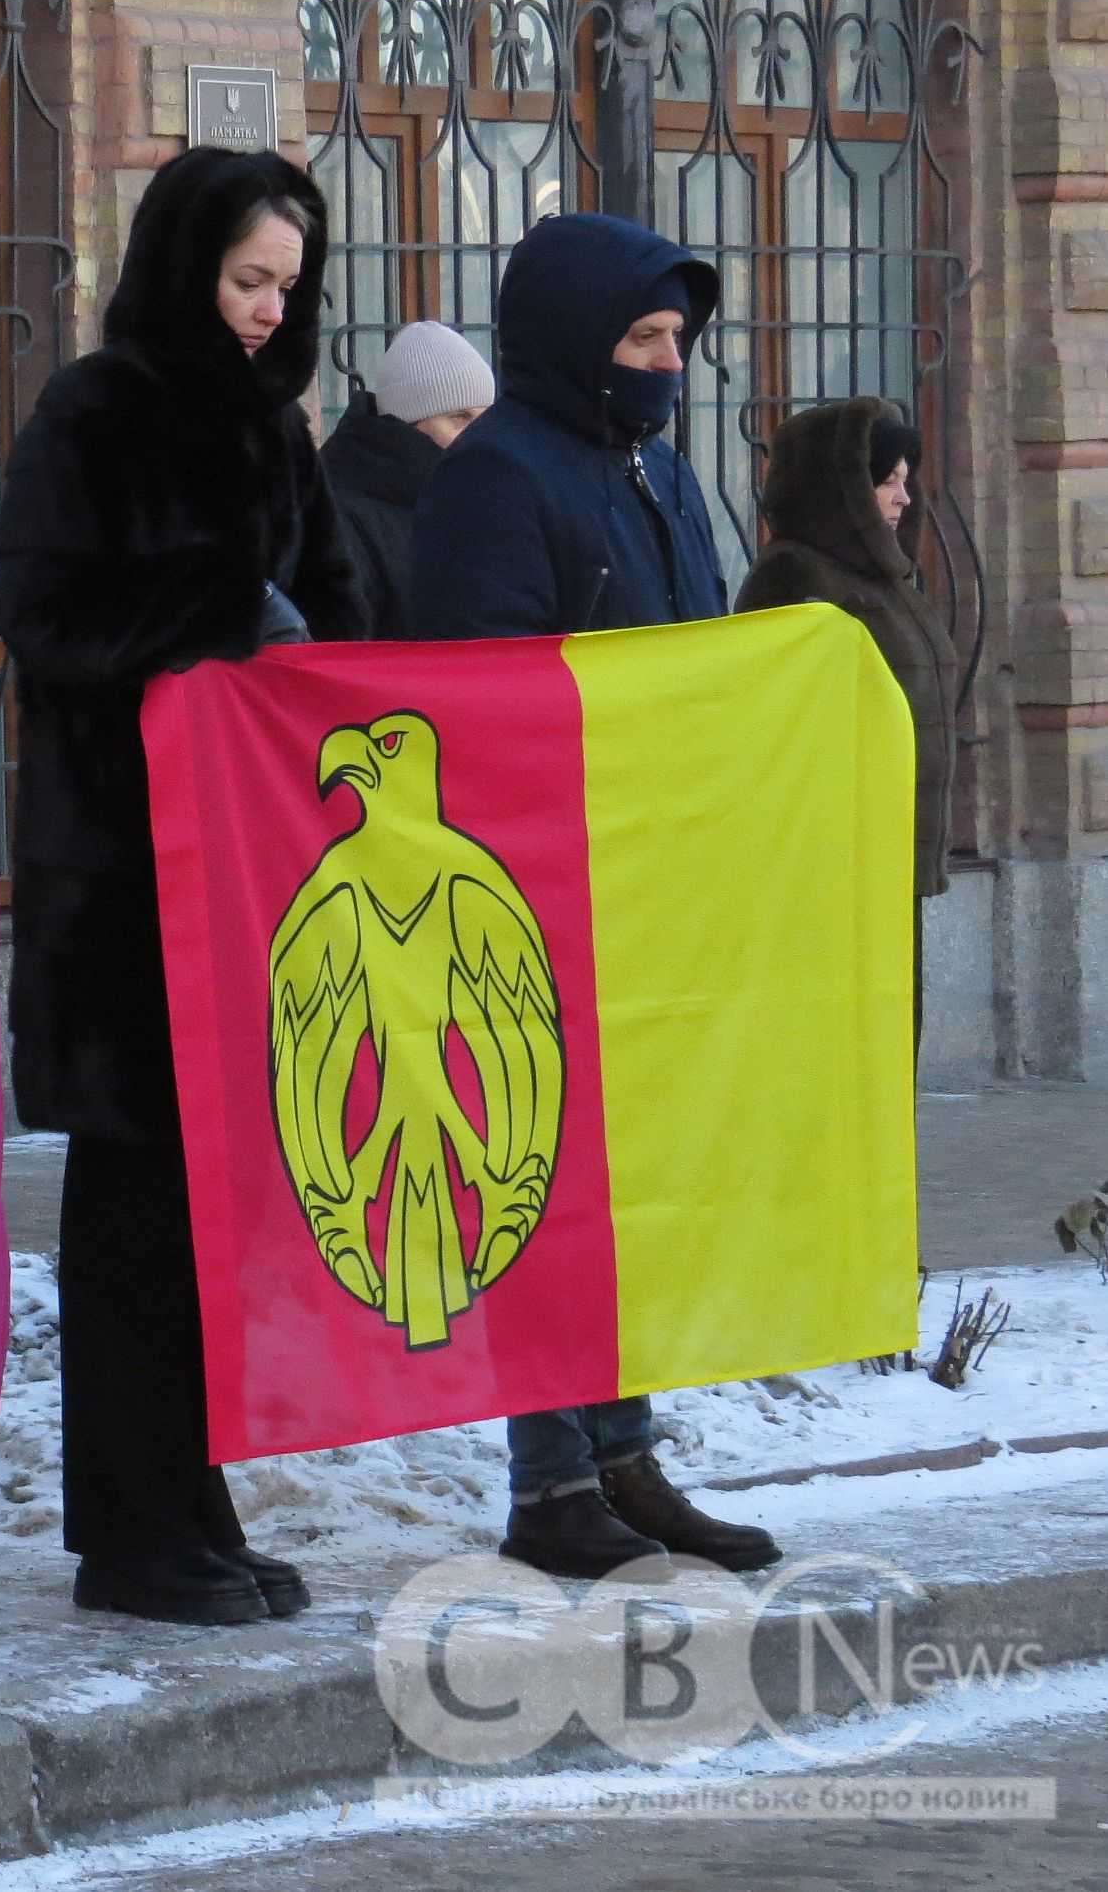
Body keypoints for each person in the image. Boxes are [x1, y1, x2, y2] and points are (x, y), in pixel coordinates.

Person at [0, 147, 363, 1628]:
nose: (268, 310)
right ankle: (129, 1530)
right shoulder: (93, 410)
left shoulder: (272, 424)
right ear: (180, 267)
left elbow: (336, 604)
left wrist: (316, 641)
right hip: (125, 883)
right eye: (245, 279)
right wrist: (219, 614)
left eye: (286, 285)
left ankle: (194, 1502)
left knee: (221, 1219)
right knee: (136, 1219)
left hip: (254, 871)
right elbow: (43, 616)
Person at [407, 211, 782, 1581]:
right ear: (575, 339)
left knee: (628, 1188)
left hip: (654, 877)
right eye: (642, 336)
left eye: (676, 337)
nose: (668, 362)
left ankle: (622, 1454)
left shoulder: (656, 468)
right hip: (539, 888)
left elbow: (698, 647)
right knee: (545, 1183)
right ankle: (550, 1480)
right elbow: (479, 700)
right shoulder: (494, 478)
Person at [736, 400, 959, 1050]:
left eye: (905, 481)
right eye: (885, 481)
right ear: (842, 490)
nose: (902, 498)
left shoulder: (890, 583)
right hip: (833, 857)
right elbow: (776, 721)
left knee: (891, 1034)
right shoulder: (792, 576)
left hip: (889, 851)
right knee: (840, 1039)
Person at [319, 320, 493, 638]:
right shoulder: (339, 516)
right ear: (407, 419)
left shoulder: (480, 497)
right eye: (460, 417)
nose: (481, 436)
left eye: (487, 419)